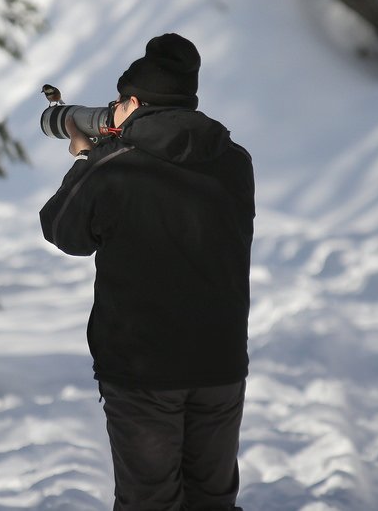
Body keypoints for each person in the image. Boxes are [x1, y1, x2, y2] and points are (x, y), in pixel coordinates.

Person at [39, 33, 254, 510]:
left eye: (118, 103)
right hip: (220, 361)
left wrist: (85, 157)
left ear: (132, 101)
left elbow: (62, 231)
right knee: (213, 499)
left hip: (143, 367)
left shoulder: (112, 165)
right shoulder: (235, 161)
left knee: (148, 501)